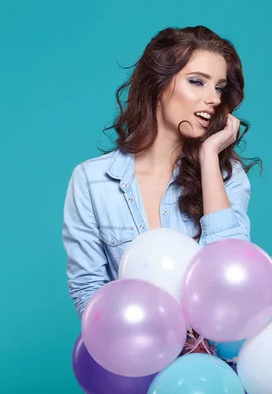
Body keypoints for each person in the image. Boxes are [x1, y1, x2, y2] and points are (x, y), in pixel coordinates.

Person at [62, 26, 261, 352]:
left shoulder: (227, 176)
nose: (213, 99)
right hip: (134, 366)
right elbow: (89, 292)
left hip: (216, 372)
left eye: (220, 88)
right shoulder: (91, 181)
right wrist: (147, 348)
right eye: (197, 81)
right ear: (158, 83)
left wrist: (209, 157)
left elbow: (232, 276)